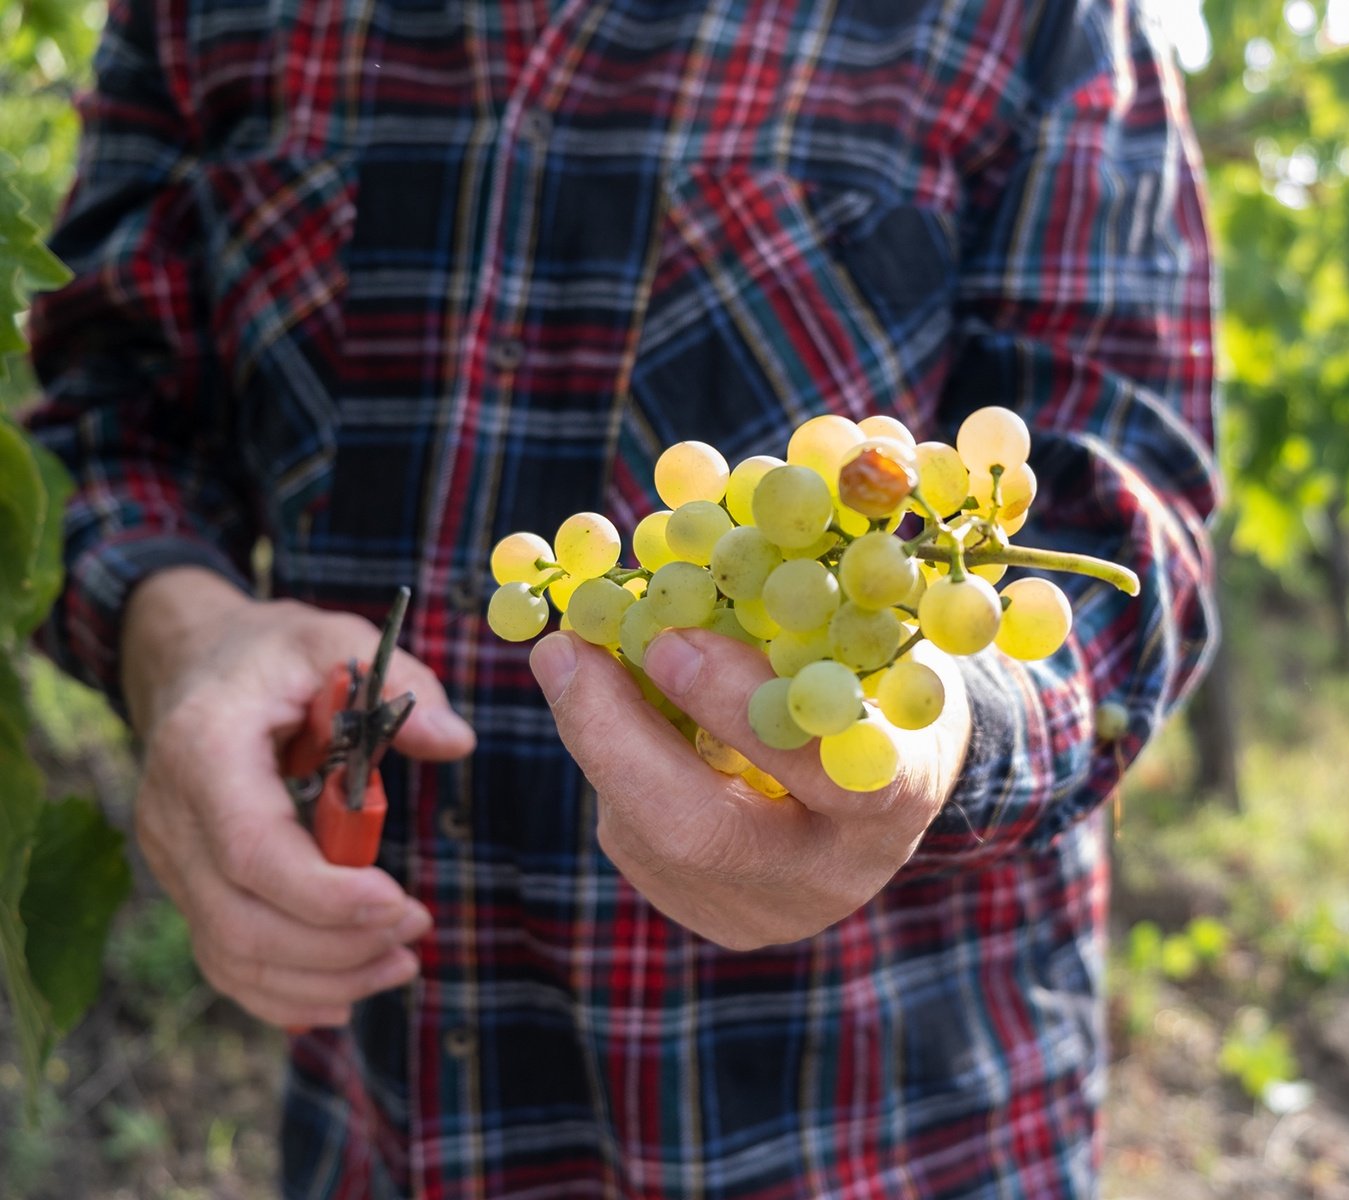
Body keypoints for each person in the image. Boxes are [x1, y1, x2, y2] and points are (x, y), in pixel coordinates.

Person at [28, 0, 1219, 1195]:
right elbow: (104, 416)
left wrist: (951, 729)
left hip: (890, 1137)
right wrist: (180, 636)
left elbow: (1123, 509)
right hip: (377, 1123)